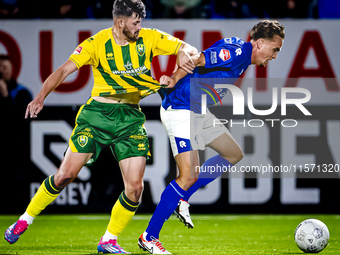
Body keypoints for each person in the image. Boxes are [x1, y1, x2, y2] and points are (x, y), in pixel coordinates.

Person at [4, 0, 197, 254]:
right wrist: (41, 96)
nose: (140, 27)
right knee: (65, 176)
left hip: (130, 117)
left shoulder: (149, 38)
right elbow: (64, 71)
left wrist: (178, 63)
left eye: (141, 22)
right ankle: (24, 220)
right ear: (120, 22)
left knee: (136, 189)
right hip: (97, 115)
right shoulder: (96, 44)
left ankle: (109, 240)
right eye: (135, 22)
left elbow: (187, 48)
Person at [138, 20, 285, 254]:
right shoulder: (237, 52)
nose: (275, 55)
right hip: (181, 107)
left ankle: (183, 199)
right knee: (187, 176)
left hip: (197, 110)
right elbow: (197, 58)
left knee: (233, 153)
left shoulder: (243, 56)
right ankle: (149, 236)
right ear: (259, 43)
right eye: (274, 49)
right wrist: (175, 78)